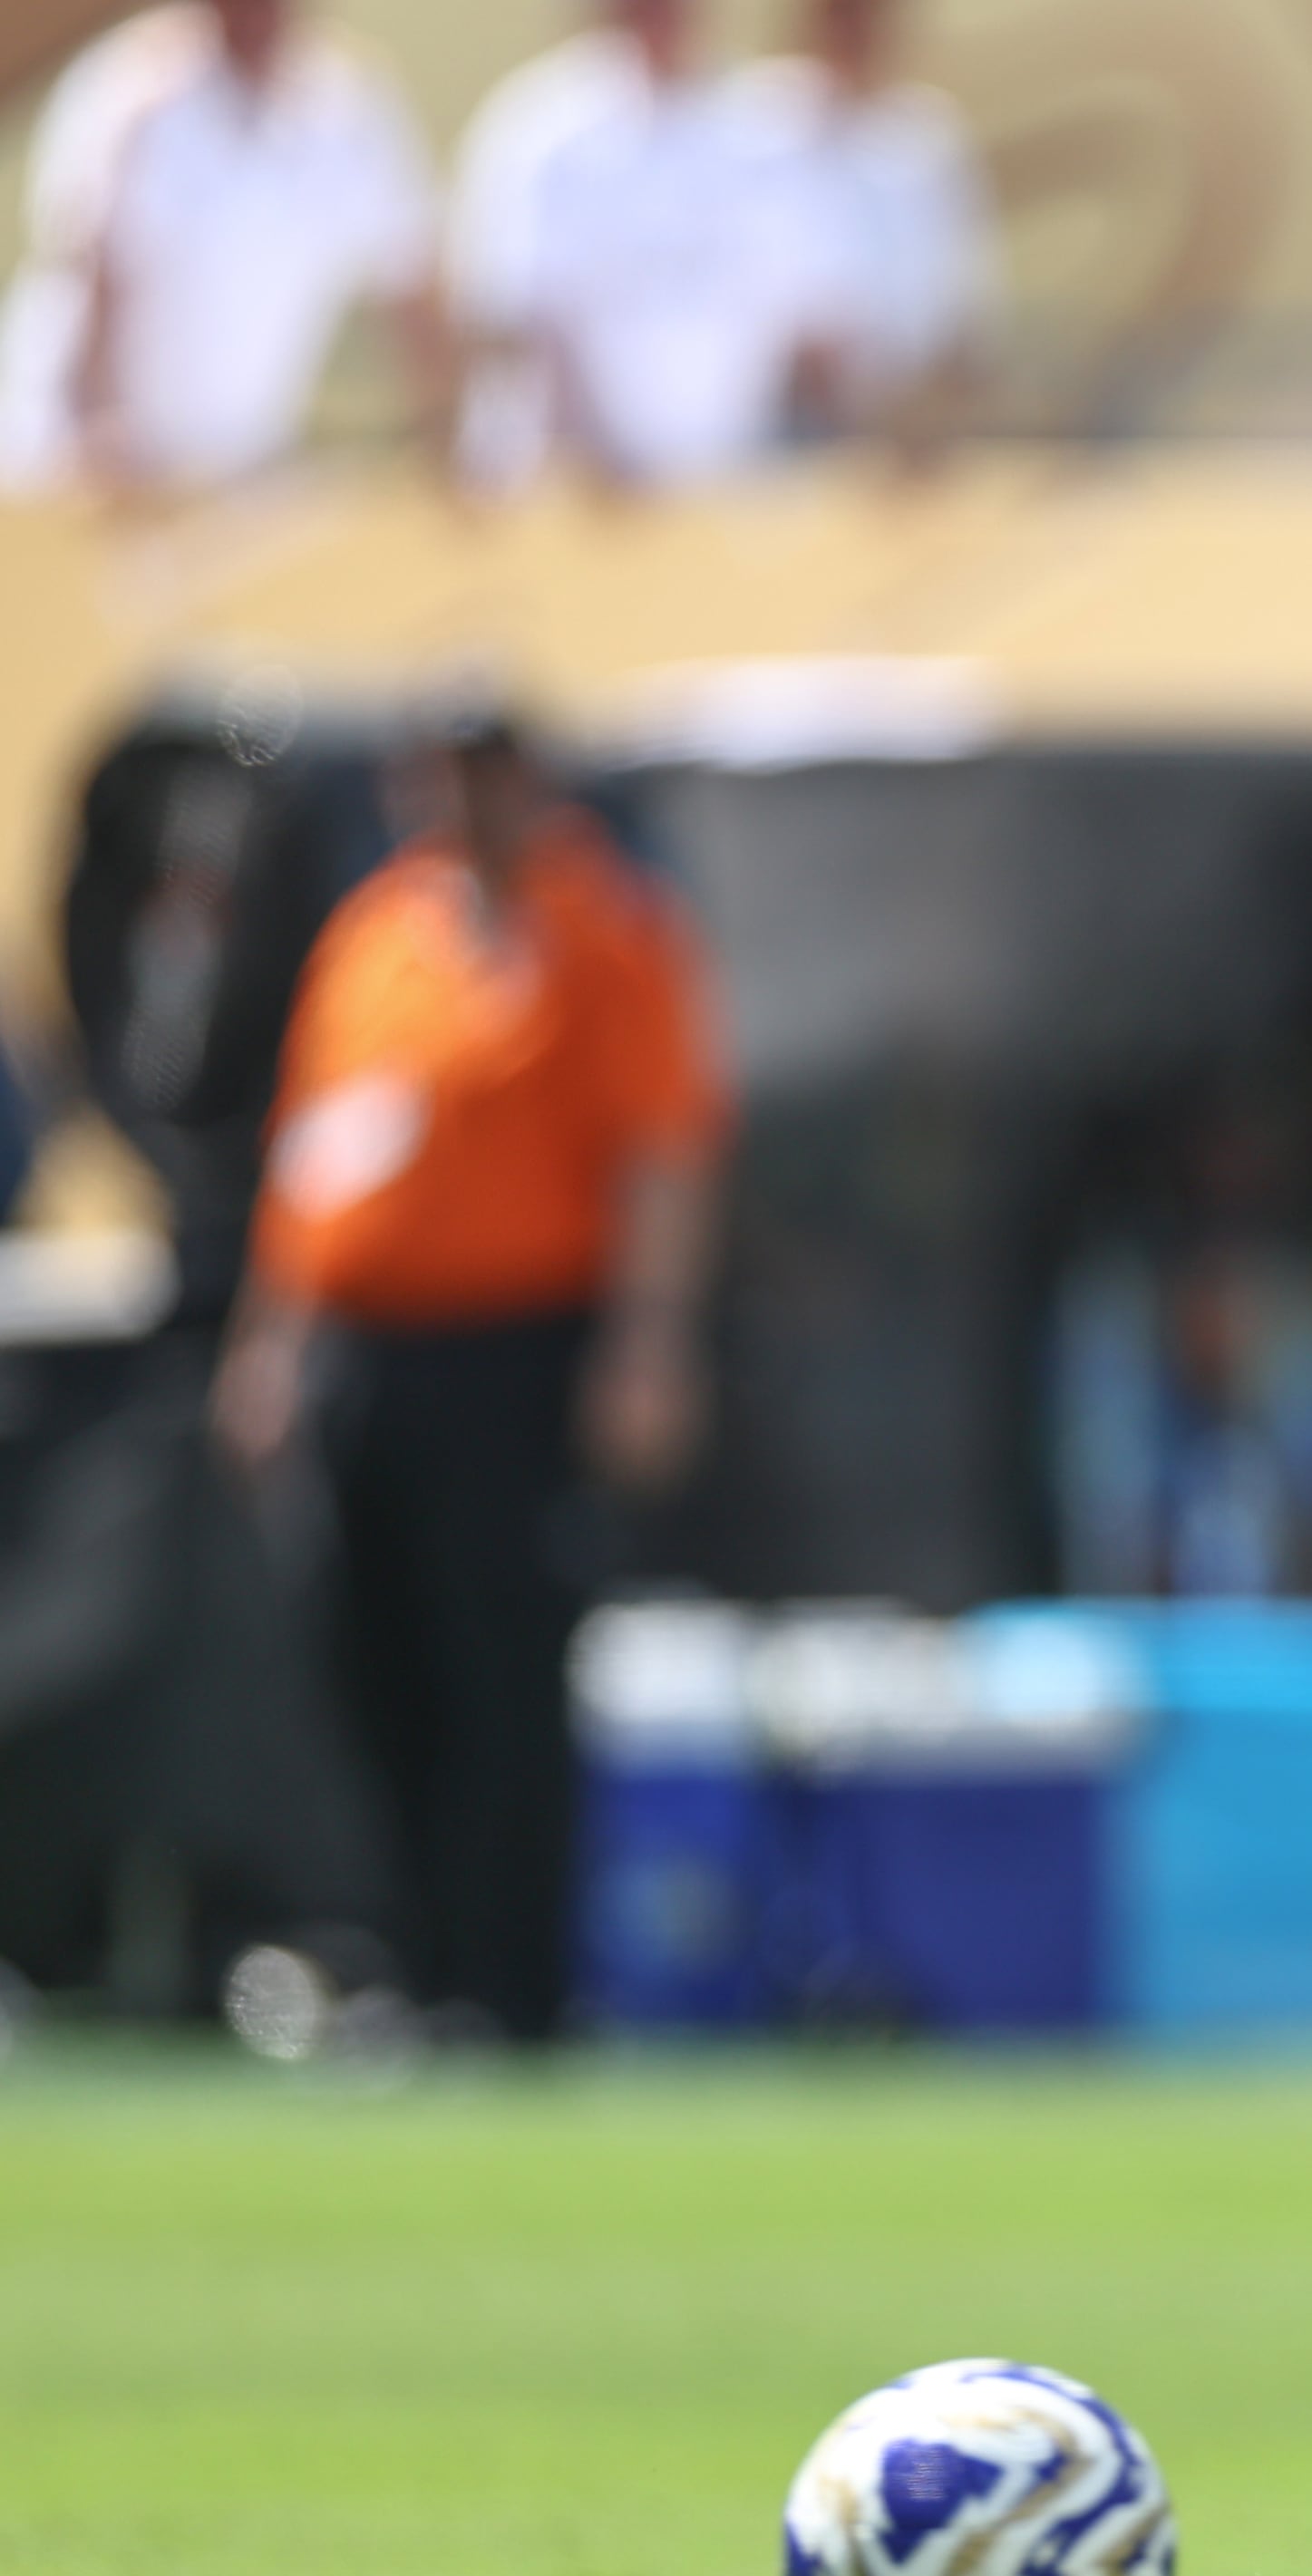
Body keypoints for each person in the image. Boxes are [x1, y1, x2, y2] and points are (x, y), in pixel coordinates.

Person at [209, 701, 727, 2037]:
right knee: (367, 1656)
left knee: (499, 1662)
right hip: (370, 1349)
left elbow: (658, 1148)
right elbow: (318, 1153)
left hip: (518, 1346)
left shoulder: (603, 925)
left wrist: (647, 1345)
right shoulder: (380, 933)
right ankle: (414, 1962)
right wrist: (275, 1338)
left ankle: (510, 1988)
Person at [0, 0, 444, 494]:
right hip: (77, 461)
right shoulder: (130, 95)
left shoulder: (352, 109)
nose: (254, 15)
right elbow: (94, 270)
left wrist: (443, 430)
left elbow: (412, 283)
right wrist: (100, 422)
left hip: (231, 470)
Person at [449, 0, 821, 489]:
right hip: (569, 494)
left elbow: (809, 318)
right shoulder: (538, 130)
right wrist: (593, 460)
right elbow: (510, 319)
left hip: (726, 485)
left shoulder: (768, 126)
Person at [722, 0, 991, 454]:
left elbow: (961, 295)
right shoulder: (753, 128)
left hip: (904, 425)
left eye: (867, 17)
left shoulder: (924, 139)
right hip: (782, 422)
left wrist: (935, 400)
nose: (854, 32)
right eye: (842, 15)